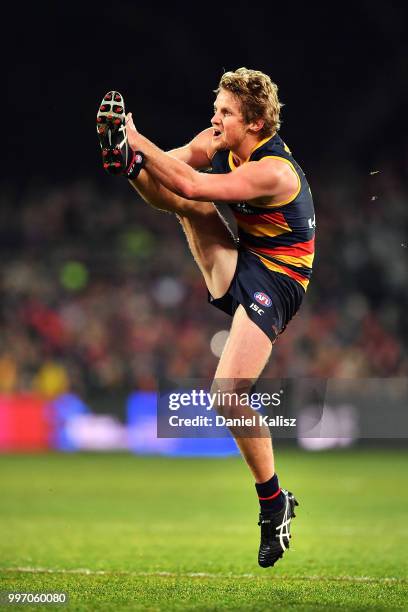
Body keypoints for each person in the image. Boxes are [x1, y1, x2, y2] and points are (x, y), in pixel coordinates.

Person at [96, 68, 315, 567]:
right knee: (185, 209)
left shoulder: (274, 171)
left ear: (256, 123)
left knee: (226, 395)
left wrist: (136, 141)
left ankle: (273, 504)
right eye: (216, 108)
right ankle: (274, 503)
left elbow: (192, 183)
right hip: (249, 259)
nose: (215, 119)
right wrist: (131, 164)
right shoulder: (224, 141)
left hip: (279, 281)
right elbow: (171, 179)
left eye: (226, 113)